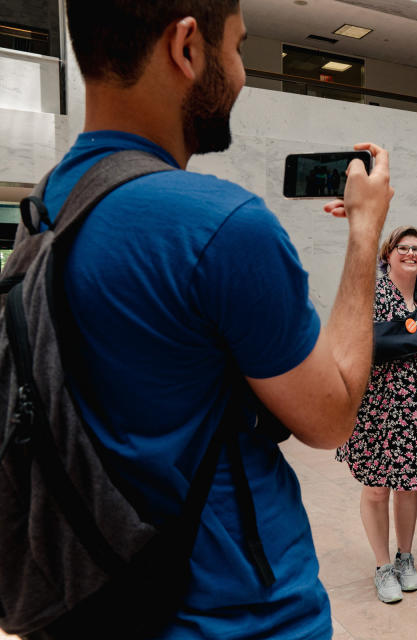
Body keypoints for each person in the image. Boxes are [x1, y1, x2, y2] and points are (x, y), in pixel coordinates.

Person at [46, 2, 393, 638]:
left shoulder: (48, 210)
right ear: (186, 48)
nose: (240, 74)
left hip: (91, 596)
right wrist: (366, 234)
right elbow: (332, 415)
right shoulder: (219, 225)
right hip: (237, 614)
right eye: (237, 48)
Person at [336, 226, 417, 604]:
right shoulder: (373, 293)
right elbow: (351, 342)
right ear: (388, 253)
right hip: (376, 407)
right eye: (403, 247)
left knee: (409, 485)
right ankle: (382, 566)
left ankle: (405, 557)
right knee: (377, 488)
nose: (411, 253)